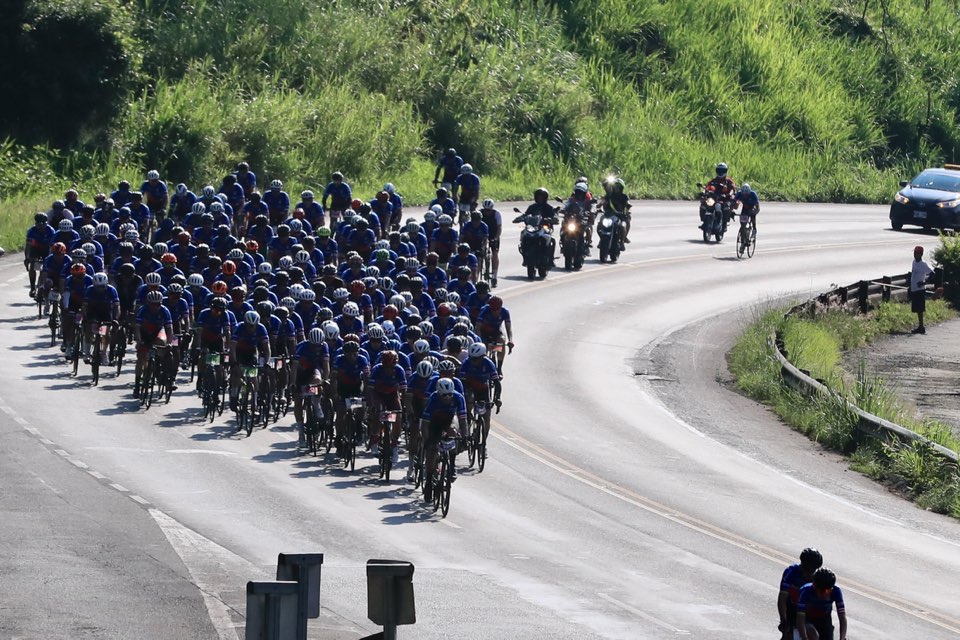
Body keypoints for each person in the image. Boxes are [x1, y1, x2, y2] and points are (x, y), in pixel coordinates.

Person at [419, 378, 467, 501]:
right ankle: (429, 481)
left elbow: (462, 420)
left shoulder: (458, 398)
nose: (447, 397)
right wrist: (427, 441)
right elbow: (425, 424)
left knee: (455, 431)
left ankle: (451, 463)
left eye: (450, 394)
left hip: (449, 420)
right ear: (439, 393)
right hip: (434, 423)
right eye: (444, 395)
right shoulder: (433, 399)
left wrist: (464, 437)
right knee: (432, 450)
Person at [778, 548, 823, 640]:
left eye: (812, 570)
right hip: (792, 609)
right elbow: (782, 599)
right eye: (806, 569)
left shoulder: (818, 577)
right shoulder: (790, 572)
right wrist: (783, 620)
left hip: (809, 611)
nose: (809, 574)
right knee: (789, 636)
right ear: (802, 564)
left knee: (813, 634)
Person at [795, 568, 846, 640]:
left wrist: (842, 638)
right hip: (807, 618)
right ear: (814, 586)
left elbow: (842, 617)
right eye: (822, 591)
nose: (825, 594)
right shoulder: (805, 591)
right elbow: (800, 620)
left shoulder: (836, 591)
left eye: (828, 591)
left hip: (824, 618)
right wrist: (804, 637)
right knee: (813, 635)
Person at [26, 213, 56, 297]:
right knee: (32, 265)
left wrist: (50, 258)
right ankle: (32, 288)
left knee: (45, 269)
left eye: (43, 223)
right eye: (39, 223)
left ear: (46, 223)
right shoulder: (31, 231)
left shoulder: (51, 231)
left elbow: (52, 247)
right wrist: (27, 258)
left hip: (47, 249)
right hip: (35, 249)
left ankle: (41, 285)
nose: (41, 226)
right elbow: (28, 246)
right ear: (35, 223)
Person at [910, 245, 934, 334]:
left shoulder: (923, 264)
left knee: (920, 309)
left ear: (921, 254)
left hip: (920, 289)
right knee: (916, 309)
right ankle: (920, 326)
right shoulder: (914, 262)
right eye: (914, 253)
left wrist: (924, 283)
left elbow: (932, 274)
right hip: (914, 288)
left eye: (916, 253)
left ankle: (921, 327)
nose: (914, 255)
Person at [601, 177, 631, 243]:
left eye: (618, 187)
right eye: (615, 187)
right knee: (600, 225)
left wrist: (628, 207)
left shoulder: (624, 196)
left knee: (623, 226)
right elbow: (602, 202)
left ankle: (623, 240)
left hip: (620, 215)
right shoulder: (609, 195)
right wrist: (599, 207)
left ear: (621, 188)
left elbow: (628, 203)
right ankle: (602, 239)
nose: (617, 189)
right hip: (608, 215)